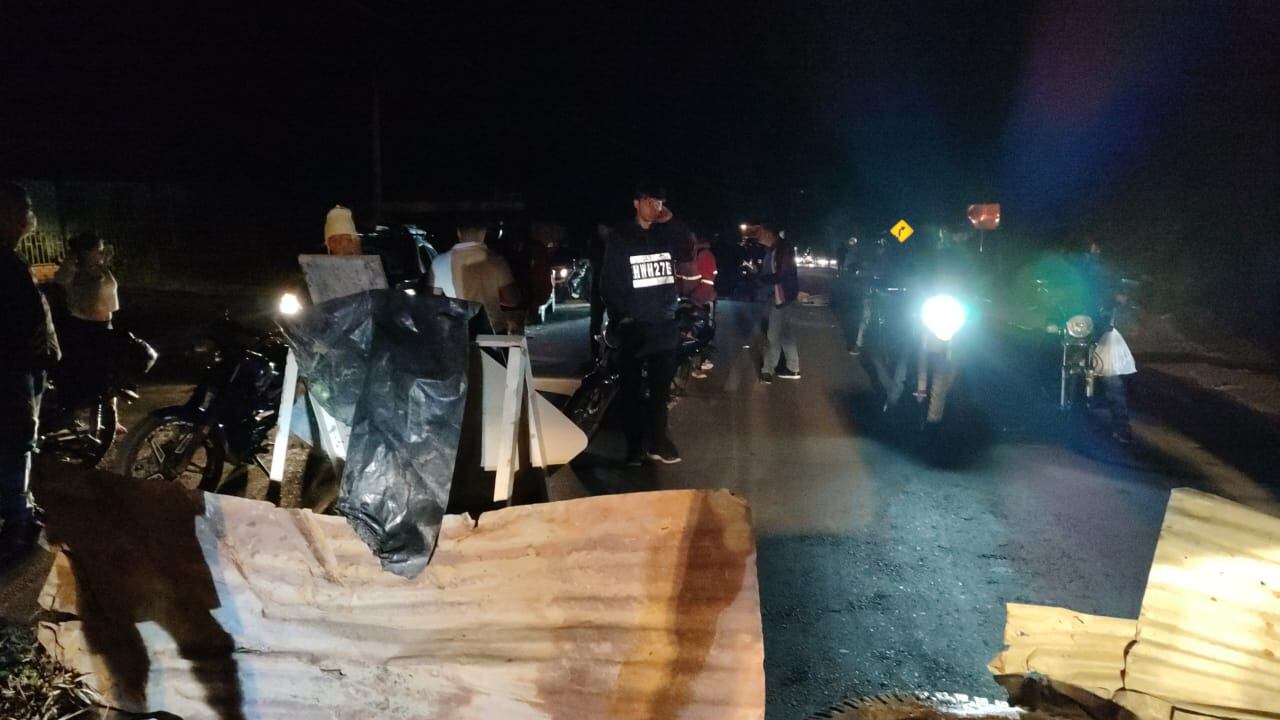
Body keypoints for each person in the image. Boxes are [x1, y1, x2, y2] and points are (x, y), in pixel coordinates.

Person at [600, 184, 689, 465]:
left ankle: (657, 442)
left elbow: (687, 245)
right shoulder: (621, 237)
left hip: (664, 325)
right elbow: (610, 281)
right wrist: (622, 317)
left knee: (660, 390)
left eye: (661, 202)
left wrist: (670, 219)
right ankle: (635, 445)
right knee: (631, 389)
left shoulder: (666, 234)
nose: (657, 207)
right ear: (636, 202)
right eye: (651, 201)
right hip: (635, 327)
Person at [0, 182, 60, 570]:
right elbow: (19, 324)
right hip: (12, 372)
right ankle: (15, 525)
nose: (30, 218)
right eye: (26, 210)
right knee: (15, 443)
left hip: (19, 367)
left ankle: (17, 514)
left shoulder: (10, 260)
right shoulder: (6, 265)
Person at [431, 222, 524, 334]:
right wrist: (490, 296)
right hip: (492, 334)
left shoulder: (439, 262)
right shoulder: (496, 260)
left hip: (455, 334)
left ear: (458, 232)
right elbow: (513, 299)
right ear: (483, 232)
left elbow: (431, 303)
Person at [755, 225, 800, 382]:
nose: (757, 235)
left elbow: (782, 275)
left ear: (769, 232)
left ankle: (768, 370)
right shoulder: (776, 248)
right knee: (786, 333)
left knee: (771, 336)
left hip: (780, 296)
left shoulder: (782, 249)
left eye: (760, 232)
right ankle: (793, 368)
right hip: (782, 295)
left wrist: (761, 278)